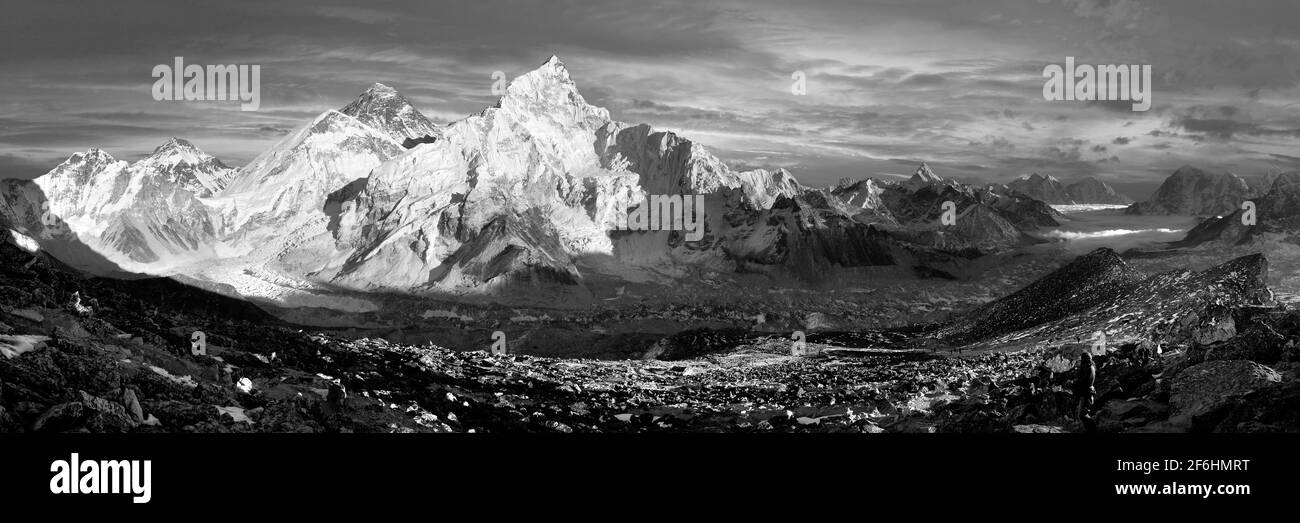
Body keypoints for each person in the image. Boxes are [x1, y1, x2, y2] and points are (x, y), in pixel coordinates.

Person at [1074, 352, 1097, 432]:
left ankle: (1093, 429)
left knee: (1082, 415)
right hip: (1086, 393)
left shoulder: (1090, 368)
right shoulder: (1089, 367)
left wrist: (1076, 382)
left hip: (1087, 393)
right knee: (1082, 415)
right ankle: (1090, 429)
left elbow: (1085, 381)